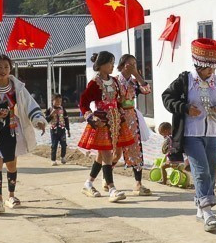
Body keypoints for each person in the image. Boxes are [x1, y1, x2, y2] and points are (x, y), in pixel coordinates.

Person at [161, 39, 216, 232]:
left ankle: (200, 204)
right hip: (191, 133)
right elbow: (167, 98)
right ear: (200, 65)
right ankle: (208, 212)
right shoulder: (185, 80)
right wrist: (184, 108)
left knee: (211, 171)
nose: (212, 71)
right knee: (201, 171)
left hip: (213, 133)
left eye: (214, 68)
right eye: (209, 68)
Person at [0, 54, 46, 215]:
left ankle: (11, 196)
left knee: (11, 164)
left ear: (10, 68)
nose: (3, 70)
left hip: (13, 130)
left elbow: (30, 105)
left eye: (6, 67)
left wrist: (38, 120)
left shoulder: (18, 88)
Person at [78, 51, 135, 203]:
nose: (112, 66)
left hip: (116, 121)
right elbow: (83, 102)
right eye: (110, 63)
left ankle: (88, 183)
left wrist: (122, 102)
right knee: (107, 155)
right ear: (101, 65)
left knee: (101, 156)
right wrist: (90, 116)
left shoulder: (114, 81)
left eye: (113, 62)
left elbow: (119, 99)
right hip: (102, 122)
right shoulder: (95, 83)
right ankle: (112, 188)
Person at [115, 54, 152, 196]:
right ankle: (107, 178)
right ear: (123, 65)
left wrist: (137, 74)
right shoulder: (115, 81)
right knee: (115, 151)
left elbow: (147, 90)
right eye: (130, 64)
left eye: (135, 64)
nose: (132, 66)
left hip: (131, 117)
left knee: (136, 149)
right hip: (118, 117)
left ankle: (138, 183)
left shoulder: (135, 81)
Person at [156, 121, 189, 185]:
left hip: (173, 160)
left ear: (166, 131)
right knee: (179, 170)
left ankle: (164, 181)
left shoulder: (168, 139)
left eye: (162, 133)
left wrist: (165, 150)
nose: (162, 135)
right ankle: (185, 181)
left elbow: (164, 149)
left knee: (163, 167)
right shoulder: (177, 137)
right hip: (181, 159)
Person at [46, 93, 71, 165]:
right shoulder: (50, 109)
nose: (58, 103)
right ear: (52, 101)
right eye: (56, 101)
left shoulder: (62, 109)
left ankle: (63, 157)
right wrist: (51, 114)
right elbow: (46, 120)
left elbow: (66, 119)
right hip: (53, 130)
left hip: (62, 129)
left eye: (60, 101)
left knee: (63, 144)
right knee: (54, 145)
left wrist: (68, 129)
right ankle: (53, 159)